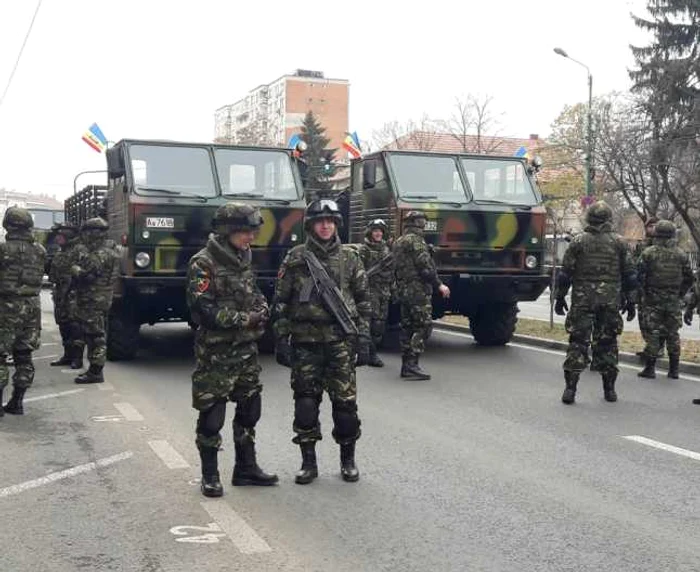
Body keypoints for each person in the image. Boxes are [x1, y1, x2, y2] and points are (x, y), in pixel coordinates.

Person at [273, 199, 371, 485]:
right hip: (305, 344)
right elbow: (281, 301)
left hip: (340, 343)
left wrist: (364, 337)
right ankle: (308, 463)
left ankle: (348, 460)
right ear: (310, 225)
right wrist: (281, 337)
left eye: (331, 221)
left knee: (345, 408)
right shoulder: (296, 258)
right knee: (305, 405)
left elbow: (364, 300)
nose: (326, 225)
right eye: (320, 221)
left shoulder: (350, 258)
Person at [187, 203, 278, 497]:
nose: (251, 237)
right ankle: (210, 475)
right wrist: (244, 319)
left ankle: (246, 468)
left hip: (246, 350)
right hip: (216, 352)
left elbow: (253, 291)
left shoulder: (243, 259)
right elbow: (203, 310)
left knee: (250, 409)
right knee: (212, 415)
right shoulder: (203, 264)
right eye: (247, 232)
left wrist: (263, 307)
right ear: (228, 231)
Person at [554, 201, 637, 404]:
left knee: (578, 343)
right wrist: (632, 301)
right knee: (607, 344)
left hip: (583, 301)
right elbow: (630, 275)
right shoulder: (620, 243)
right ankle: (609, 390)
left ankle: (570, 389)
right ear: (609, 219)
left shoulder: (578, 242)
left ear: (589, 218)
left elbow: (565, 274)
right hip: (609, 302)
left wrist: (559, 297)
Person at [392, 211, 450, 380]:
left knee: (407, 327)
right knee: (423, 326)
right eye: (422, 221)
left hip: (403, 289)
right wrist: (439, 284)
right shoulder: (417, 241)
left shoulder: (399, 241)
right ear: (418, 223)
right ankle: (412, 363)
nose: (424, 224)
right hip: (417, 291)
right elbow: (425, 268)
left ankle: (406, 365)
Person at [0, 207, 46, 416]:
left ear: (8, 225)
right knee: (24, 356)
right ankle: (17, 401)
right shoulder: (40, 251)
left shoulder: (3, 249)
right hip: (32, 308)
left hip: (6, 307)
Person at [636, 220, 692, 379]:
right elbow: (689, 277)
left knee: (654, 332)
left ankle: (650, 368)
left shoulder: (649, 253)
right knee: (672, 334)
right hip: (673, 299)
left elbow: (639, 275)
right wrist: (679, 293)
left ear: (657, 234)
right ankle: (674, 370)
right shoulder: (681, 254)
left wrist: (643, 292)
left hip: (653, 299)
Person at [71, 218, 120, 384]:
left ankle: (95, 371)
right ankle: (94, 369)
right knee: (97, 333)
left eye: (87, 232)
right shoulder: (112, 252)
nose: (85, 236)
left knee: (95, 336)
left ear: (93, 233)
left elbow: (87, 276)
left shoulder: (98, 254)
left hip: (93, 299)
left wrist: (76, 270)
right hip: (103, 298)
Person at [358, 218, 394, 367]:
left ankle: (371, 350)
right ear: (370, 232)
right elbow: (358, 270)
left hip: (384, 291)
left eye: (380, 231)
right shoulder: (364, 250)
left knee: (380, 324)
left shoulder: (387, 250)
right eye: (375, 231)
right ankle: (369, 353)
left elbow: (393, 270)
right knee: (368, 323)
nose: (378, 233)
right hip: (369, 290)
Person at [48, 222, 83, 369]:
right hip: (60, 293)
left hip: (74, 293)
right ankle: (67, 355)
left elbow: (82, 273)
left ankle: (77, 358)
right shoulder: (60, 252)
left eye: (61, 235)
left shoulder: (78, 251)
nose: (58, 238)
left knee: (75, 326)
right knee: (63, 325)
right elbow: (53, 274)